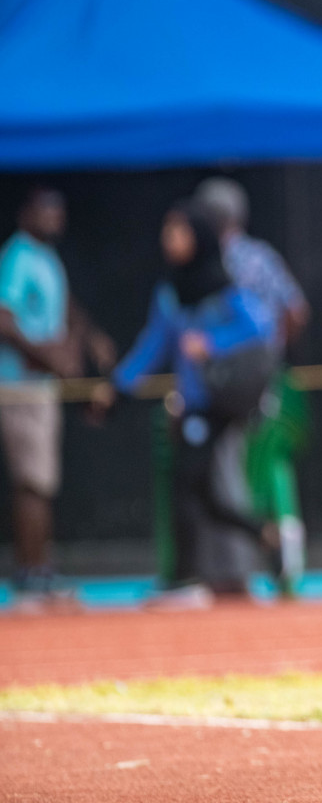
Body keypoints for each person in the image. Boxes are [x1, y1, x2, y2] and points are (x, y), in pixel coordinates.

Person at [91, 203, 280, 609]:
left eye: (179, 232)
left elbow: (263, 327)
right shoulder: (171, 292)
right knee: (201, 491)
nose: (170, 241)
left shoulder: (224, 287)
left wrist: (213, 343)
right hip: (192, 403)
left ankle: (188, 579)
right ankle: (262, 532)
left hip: (220, 401)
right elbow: (153, 346)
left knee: (188, 487)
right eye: (168, 232)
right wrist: (118, 389)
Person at [192, 177, 309, 595]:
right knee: (267, 470)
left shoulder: (215, 262)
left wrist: (240, 357)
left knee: (224, 467)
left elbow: (225, 328)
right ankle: (284, 559)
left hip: (228, 384)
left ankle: (236, 571)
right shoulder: (263, 257)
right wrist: (272, 356)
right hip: (269, 381)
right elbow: (296, 311)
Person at [0, 187, 115, 608]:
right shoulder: (17, 256)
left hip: (41, 387)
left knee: (42, 482)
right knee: (32, 482)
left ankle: (40, 569)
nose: (53, 218)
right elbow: (4, 319)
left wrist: (90, 338)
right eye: (44, 210)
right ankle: (32, 575)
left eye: (58, 211)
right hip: (19, 385)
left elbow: (66, 307)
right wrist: (50, 356)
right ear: (26, 213)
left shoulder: (46, 259)